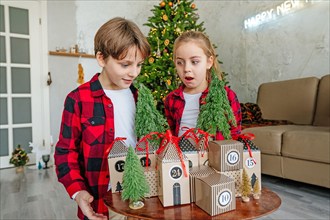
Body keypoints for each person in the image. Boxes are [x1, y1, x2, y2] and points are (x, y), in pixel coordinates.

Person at [54, 17, 150, 220]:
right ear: (101, 58)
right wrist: (78, 191)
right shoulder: (78, 99)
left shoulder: (140, 97)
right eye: (125, 65)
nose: (134, 73)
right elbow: (65, 153)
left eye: (139, 65)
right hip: (102, 203)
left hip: (141, 197)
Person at [164, 31, 241, 140]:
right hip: (183, 156)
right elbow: (172, 136)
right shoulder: (171, 99)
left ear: (209, 62)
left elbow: (234, 135)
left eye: (194, 62)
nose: (186, 69)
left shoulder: (227, 96)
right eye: (180, 63)